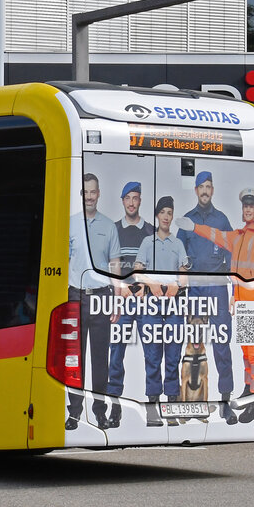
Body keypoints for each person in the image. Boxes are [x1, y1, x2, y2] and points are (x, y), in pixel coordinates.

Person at [176, 188, 254, 423]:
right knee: (246, 353)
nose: (248, 209)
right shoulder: (236, 237)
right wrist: (194, 227)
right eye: (245, 206)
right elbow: (214, 234)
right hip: (240, 303)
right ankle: (249, 393)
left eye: (251, 206)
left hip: (253, 302)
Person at [176, 171, 236, 422]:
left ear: (213, 190)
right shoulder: (186, 220)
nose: (205, 191)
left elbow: (232, 253)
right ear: (196, 190)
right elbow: (178, 256)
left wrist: (235, 288)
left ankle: (224, 399)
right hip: (195, 290)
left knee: (222, 344)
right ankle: (191, 402)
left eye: (209, 186)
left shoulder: (221, 220)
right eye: (201, 186)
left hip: (217, 287)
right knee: (194, 346)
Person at [67, 173, 122, 430]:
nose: (89, 196)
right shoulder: (71, 224)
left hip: (101, 298)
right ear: (81, 194)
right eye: (85, 192)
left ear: (99, 194)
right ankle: (74, 413)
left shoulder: (109, 226)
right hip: (75, 296)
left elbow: (115, 266)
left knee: (100, 359)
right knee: (74, 360)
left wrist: (118, 300)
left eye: (93, 192)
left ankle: (99, 412)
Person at [134, 196, 189, 426]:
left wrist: (179, 284)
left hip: (174, 303)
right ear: (157, 215)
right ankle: (152, 407)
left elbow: (184, 273)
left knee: (173, 355)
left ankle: (172, 405)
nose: (166, 216)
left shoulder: (177, 243)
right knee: (153, 355)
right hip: (152, 304)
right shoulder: (148, 242)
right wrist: (151, 283)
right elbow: (136, 273)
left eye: (170, 212)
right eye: (163, 212)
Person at [105, 181, 154, 428]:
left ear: (140, 200)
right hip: (122, 302)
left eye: (136, 197)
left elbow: (157, 267)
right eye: (128, 198)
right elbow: (109, 263)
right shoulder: (113, 229)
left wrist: (145, 285)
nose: (132, 202)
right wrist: (120, 287)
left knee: (153, 353)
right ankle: (114, 408)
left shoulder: (151, 231)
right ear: (122, 201)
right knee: (116, 355)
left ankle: (153, 408)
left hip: (146, 302)